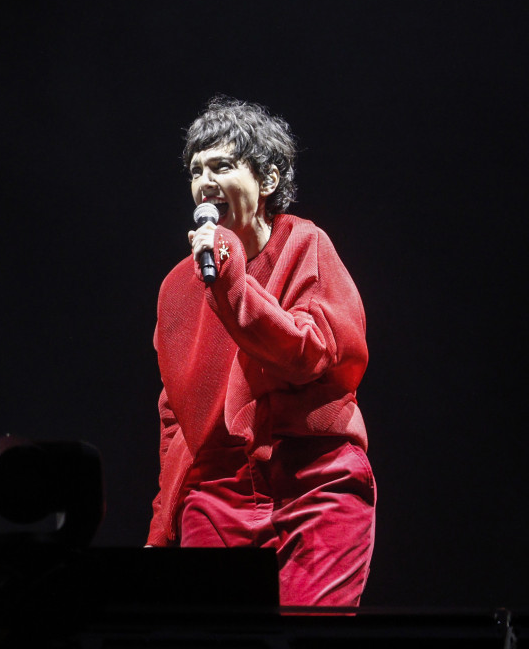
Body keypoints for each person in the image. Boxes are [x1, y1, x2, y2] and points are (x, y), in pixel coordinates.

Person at [147, 96, 375, 606]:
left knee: (306, 639)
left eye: (222, 165)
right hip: (216, 496)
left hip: (312, 482)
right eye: (195, 169)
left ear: (268, 180)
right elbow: (174, 420)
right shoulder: (176, 290)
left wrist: (230, 278)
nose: (204, 180)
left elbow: (307, 354)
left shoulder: (307, 247)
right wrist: (164, 520)